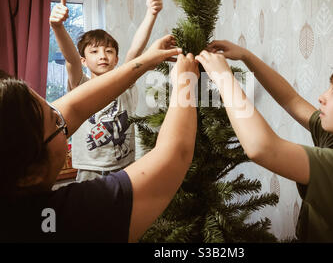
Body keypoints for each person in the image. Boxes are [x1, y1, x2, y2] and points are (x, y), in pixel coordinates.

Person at [0, 36, 200, 242]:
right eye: (56, 122)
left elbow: (75, 108)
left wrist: (146, 60)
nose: (64, 118)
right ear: (30, 175)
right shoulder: (66, 217)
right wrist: (186, 83)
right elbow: (175, 154)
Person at [196, 40, 333, 242]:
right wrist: (246, 57)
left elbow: (263, 149)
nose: (322, 97)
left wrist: (224, 79)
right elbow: (291, 100)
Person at [49, 0, 163, 182]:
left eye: (108, 51)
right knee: (90, 213)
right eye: (94, 52)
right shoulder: (80, 85)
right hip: (89, 170)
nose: (102, 56)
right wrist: (58, 27)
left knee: (122, 212)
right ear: (84, 60)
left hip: (124, 168)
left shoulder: (123, 82)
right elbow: (71, 60)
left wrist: (151, 14)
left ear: (116, 58)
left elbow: (135, 52)